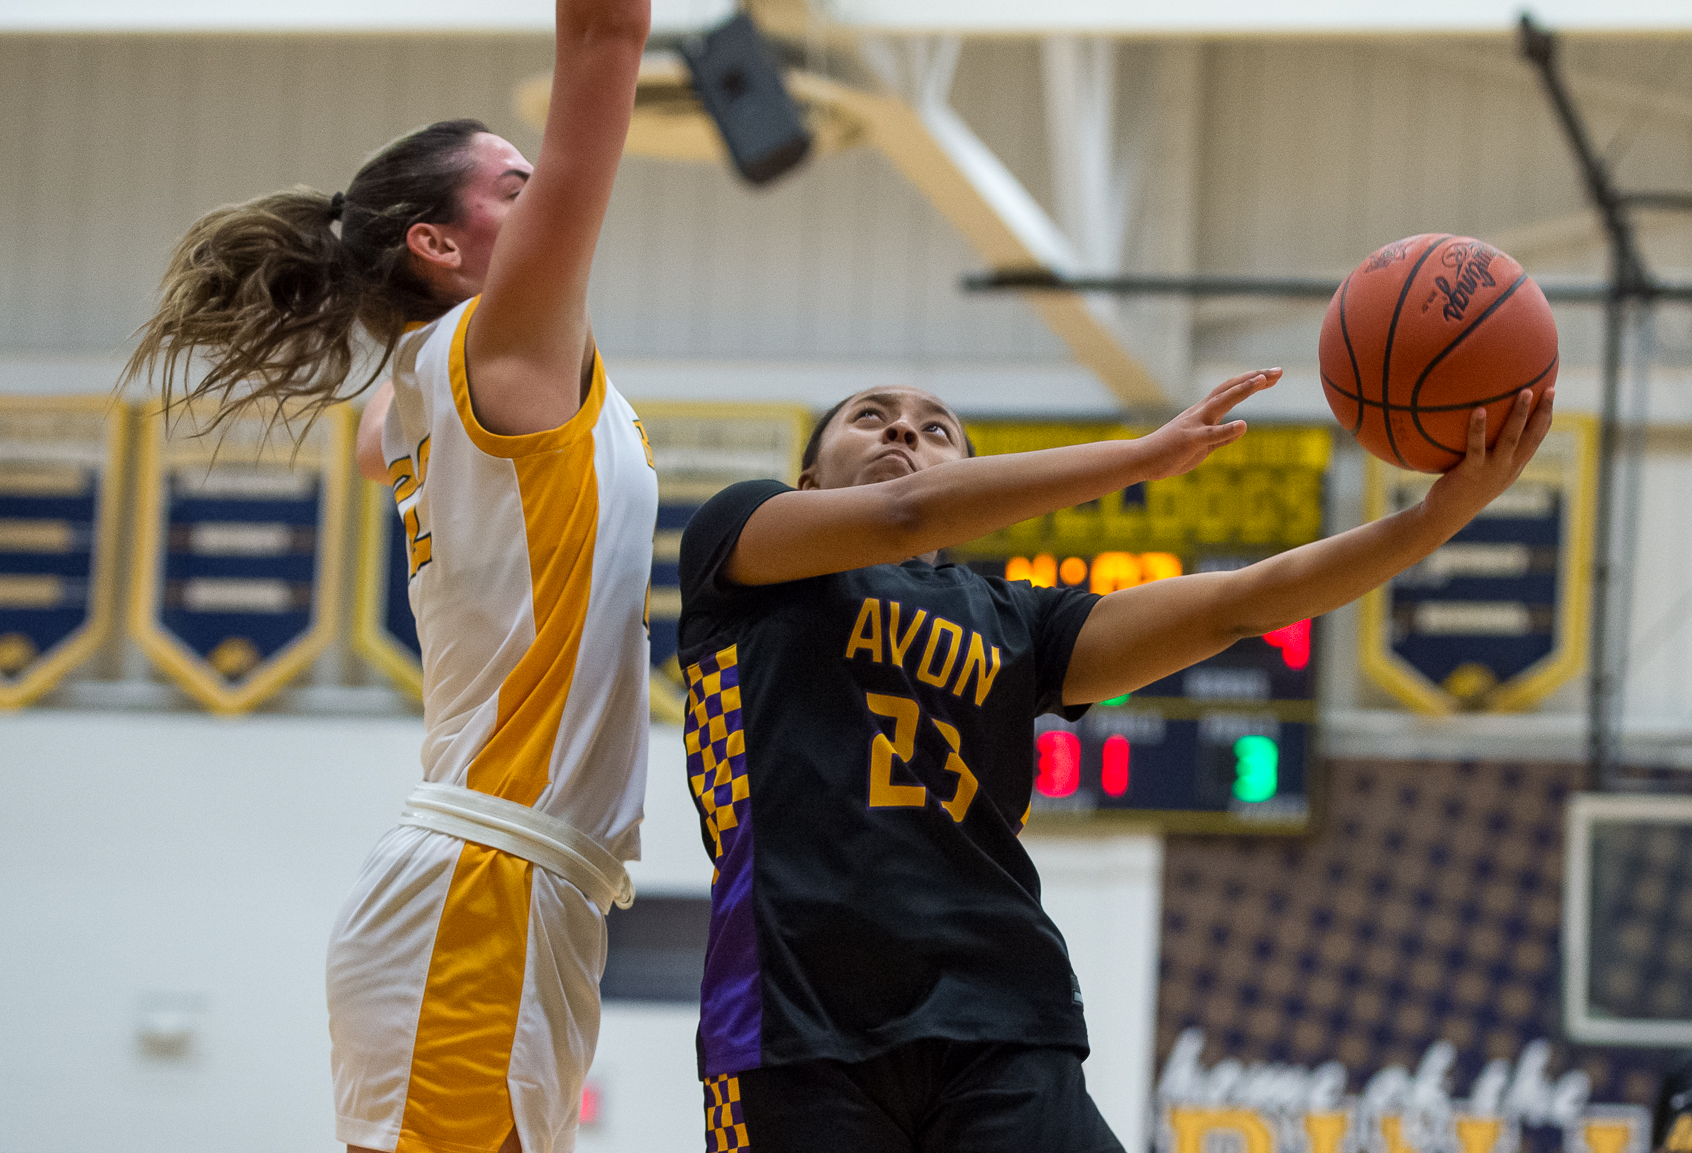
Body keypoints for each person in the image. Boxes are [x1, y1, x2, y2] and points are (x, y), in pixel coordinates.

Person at [674, 370, 1553, 1153]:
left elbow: (1242, 605)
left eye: (935, 427)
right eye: (871, 416)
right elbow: (910, 513)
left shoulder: (1019, 622)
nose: (904, 431)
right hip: (794, 1019)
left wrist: (1438, 514)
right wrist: (1138, 457)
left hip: (998, 1014)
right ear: (807, 479)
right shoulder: (741, 549)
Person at [122, 2, 655, 1151]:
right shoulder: (488, 357)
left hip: (506, 885)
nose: (548, 189)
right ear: (437, 244)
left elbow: (375, 438)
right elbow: (607, 43)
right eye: (515, 186)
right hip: (487, 883)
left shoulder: (436, 377)